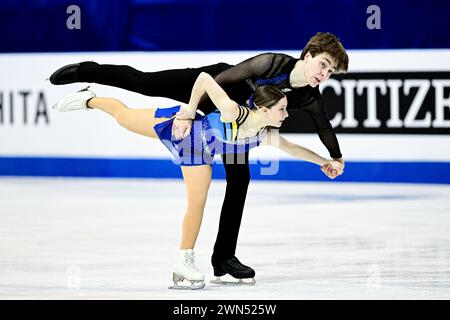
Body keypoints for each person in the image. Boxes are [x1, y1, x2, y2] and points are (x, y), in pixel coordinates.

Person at [49, 32, 348, 284]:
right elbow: (220, 79)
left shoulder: (309, 96)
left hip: (236, 125)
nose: (324, 74)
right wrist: (190, 112)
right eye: (323, 64)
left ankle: (223, 258)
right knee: (147, 83)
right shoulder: (273, 62)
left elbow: (322, 125)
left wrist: (334, 158)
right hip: (212, 92)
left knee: (240, 179)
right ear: (308, 55)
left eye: (330, 71)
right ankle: (87, 71)